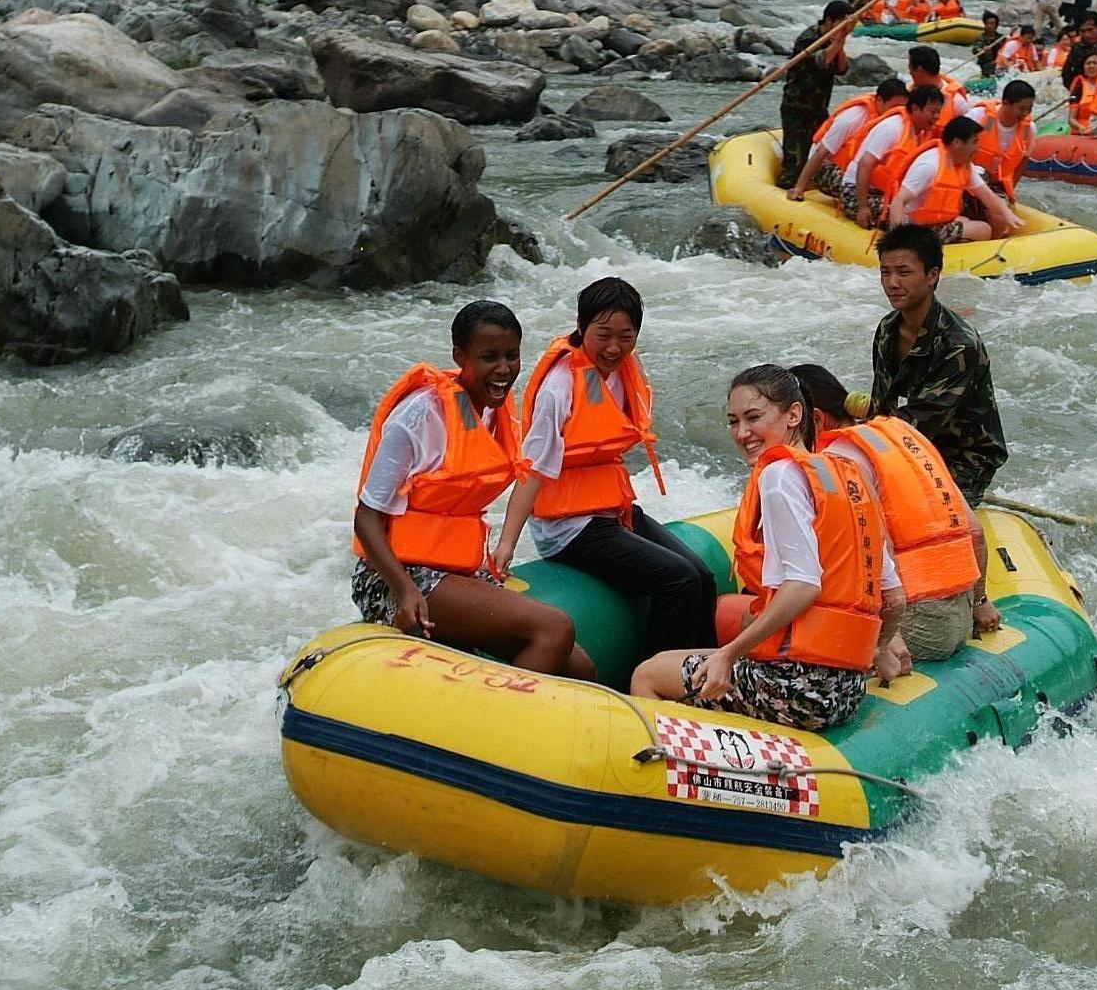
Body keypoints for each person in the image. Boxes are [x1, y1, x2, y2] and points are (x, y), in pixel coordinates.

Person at [629, 366, 901, 730]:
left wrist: (730, 654)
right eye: (733, 421)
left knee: (648, 673)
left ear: (794, 415)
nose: (742, 433)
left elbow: (804, 585)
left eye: (753, 418)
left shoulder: (779, 476)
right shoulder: (847, 475)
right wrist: (878, 652)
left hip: (795, 690)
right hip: (845, 690)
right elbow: (895, 597)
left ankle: (682, 778)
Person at [351, 300, 594, 678]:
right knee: (555, 627)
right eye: (488, 358)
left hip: (456, 572)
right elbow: (366, 518)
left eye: (511, 356)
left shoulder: (491, 411)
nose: (503, 370)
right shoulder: (418, 416)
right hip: (396, 578)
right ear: (460, 356)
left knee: (581, 666)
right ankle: (501, 727)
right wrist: (404, 591)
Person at [494, 279, 716, 663]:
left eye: (626, 337)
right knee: (677, 579)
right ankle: (656, 682)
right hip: (568, 529)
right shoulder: (559, 387)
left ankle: (706, 676)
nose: (614, 348)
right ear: (581, 328)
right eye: (604, 335)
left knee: (701, 575)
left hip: (613, 513)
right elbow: (531, 471)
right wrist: (506, 545)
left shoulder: (624, 370)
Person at [791, 364, 1000, 660]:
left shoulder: (838, 460)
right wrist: (981, 602)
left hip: (916, 628)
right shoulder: (902, 434)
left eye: (791, 424)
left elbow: (878, 547)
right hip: (960, 618)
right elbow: (975, 531)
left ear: (816, 419)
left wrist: (891, 636)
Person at [869, 225, 1007, 506]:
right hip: (911, 445)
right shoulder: (887, 329)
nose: (892, 282)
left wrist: (859, 445)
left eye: (904, 272)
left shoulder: (959, 345)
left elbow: (918, 422)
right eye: (885, 272)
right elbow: (882, 405)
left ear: (932, 276)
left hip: (963, 459)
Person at [884, 116, 1020, 244]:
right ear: (957, 142)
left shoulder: (964, 165)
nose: (977, 147)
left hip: (935, 223)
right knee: (983, 229)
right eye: (974, 142)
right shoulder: (930, 165)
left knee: (973, 220)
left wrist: (1007, 214)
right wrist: (899, 239)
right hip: (915, 228)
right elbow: (898, 201)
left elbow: (987, 195)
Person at [789, 77, 908, 202]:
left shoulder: (894, 123)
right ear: (879, 100)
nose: (899, 112)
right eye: (895, 107)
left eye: (903, 108)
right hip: (824, 167)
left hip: (854, 168)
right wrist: (799, 188)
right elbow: (821, 152)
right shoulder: (852, 118)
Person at [842, 84, 945, 228]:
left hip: (883, 193)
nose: (936, 117)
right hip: (855, 192)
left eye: (939, 112)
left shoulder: (920, 131)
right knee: (905, 215)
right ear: (915, 108)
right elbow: (865, 164)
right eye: (932, 112)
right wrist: (862, 207)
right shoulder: (892, 128)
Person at [777, 0, 855, 188]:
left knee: (822, 157)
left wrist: (840, 41)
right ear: (828, 20)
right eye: (840, 22)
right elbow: (822, 61)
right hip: (797, 108)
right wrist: (837, 41)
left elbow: (842, 69)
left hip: (819, 109)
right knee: (795, 163)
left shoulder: (833, 40)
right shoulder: (809, 39)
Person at [969, 79, 1036, 202]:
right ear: (1006, 103)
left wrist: (1011, 191)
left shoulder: (1029, 129)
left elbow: (1023, 162)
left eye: (1029, 109)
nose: (1026, 113)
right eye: (1021, 108)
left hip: (998, 186)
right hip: (969, 178)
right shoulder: (978, 116)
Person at [908, 44, 974, 120]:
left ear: (920, 70)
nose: (910, 72)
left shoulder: (957, 102)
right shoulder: (910, 92)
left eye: (910, 67)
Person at [975, 11, 1006, 76]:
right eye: (988, 23)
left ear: (996, 25)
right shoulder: (981, 38)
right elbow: (976, 49)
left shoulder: (1001, 37)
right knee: (993, 64)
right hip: (986, 65)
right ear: (985, 24)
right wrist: (983, 50)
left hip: (1000, 64)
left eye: (993, 23)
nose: (990, 26)